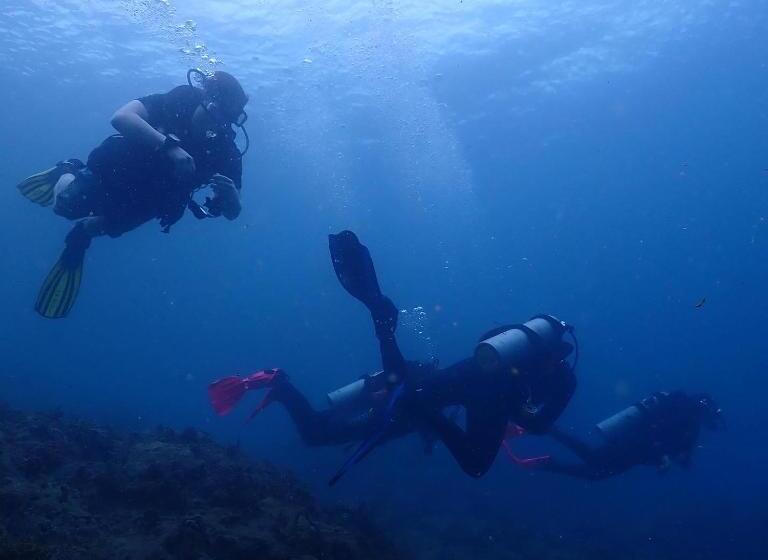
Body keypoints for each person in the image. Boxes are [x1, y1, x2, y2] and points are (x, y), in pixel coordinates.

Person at [209, 230, 579, 484]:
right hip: (480, 398)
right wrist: (520, 412)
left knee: (405, 395)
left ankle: (384, 329)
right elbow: (539, 426)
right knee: (474, 464)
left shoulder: (522, 354)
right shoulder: (563, 380)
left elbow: (484, 344)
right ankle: (280, 382)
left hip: (467, 375)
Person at [16, 69, 249, 318]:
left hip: (152, 200)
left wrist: (232, 200)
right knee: (65, 208)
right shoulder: (177, 102)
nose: (215, 125)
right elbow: (121, 117)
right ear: (203, 97)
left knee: (101, 227)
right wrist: (169, 147)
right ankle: (68, 170)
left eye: (224, 120)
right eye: (213, 113)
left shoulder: (226, 150)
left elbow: (233, 213)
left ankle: (80, 237)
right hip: (118, 169)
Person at [507, 391, 723, 479]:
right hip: (632, 446)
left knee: (594, 465)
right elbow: (654, 434)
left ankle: (547, 440)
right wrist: (662, 457)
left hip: (634, 450)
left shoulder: (689, 425)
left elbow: (679, 452)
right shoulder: (685, 418)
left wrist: (681, 459)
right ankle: (546, 443)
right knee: (595, 467)